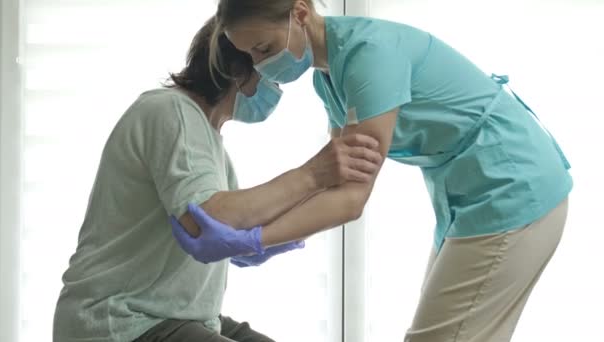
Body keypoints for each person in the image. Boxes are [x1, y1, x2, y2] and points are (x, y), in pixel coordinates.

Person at [169, 1, 573, 341]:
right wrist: (260, 234)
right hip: (468, 194)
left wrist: (255, 239)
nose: (261, 65)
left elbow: (352, 198)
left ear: (300, 13)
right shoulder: (330, 78)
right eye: (252, 55)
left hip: (510, 185)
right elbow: (337, 178)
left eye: (263, 48)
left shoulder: (368, 56)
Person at [52, 16, 382, 342]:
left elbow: (234, 227)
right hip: (120, 319)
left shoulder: (211, 144)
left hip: (174, 315)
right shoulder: (170, 111)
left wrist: (325, 188)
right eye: (270, 74)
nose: (276, 89)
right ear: (236, 70)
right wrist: (314, 173)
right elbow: (208, 219)